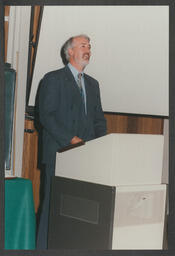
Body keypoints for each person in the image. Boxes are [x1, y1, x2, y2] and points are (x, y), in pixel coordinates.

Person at [36, 34, 107, 249]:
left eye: (89, 46)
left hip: (86, 158)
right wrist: (70, 139)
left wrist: (100, 145)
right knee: (52, 207)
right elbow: (46, 115)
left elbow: (99, 120)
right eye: (83, 46)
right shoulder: (53, 78)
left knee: (79, 211)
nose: (88, 50)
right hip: (60, 154)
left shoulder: (93, 84)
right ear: (70, 52)